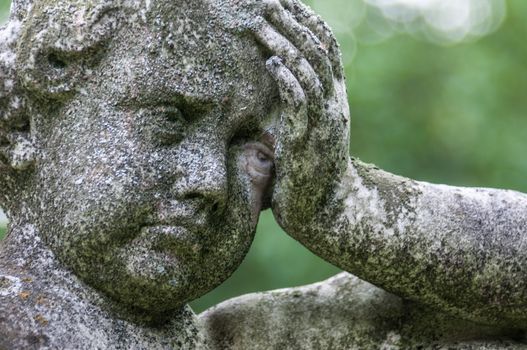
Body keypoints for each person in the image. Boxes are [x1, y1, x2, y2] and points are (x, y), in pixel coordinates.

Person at [0, 0, 525, 348]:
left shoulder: (252, 339)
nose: (210, 182)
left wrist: (342, 206)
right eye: (170, 119)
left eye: (252, 151)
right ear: (26, 123)